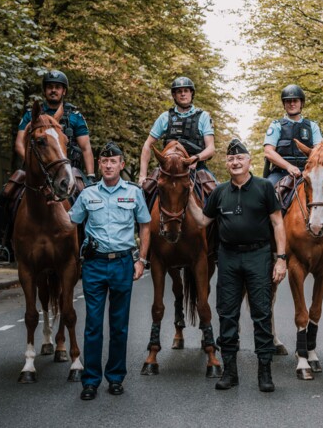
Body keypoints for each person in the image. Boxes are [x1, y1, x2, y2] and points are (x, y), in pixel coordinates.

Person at [186, 139, 287, 393]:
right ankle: (230, 372)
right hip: (228, 258)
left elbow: (278, 224)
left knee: (261, 314)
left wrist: (281, 258)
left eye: (239, 158)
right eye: (230, 159)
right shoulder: (219, 192)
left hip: (259, 256)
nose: (235, 162)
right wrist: (186, 193)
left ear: (249, 160)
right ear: (227, 163)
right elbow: (201, 221)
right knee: (227, 315)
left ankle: (265, 372)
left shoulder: (264, 188)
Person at [68, 141, 151, 401]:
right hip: (94, 265)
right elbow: (72, 223)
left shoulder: (134, 193)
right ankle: (90, 381)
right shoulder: (88, 194)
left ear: (121, 165)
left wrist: (142, 261)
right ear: (100, 164)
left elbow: (145, 226)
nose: (107, 165)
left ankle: (115, 378)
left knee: (119, 325)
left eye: (113, 161)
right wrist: (76, 257)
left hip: (122, 264)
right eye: (104, 161)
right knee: (93, 325)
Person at [0, 69, 96, 264]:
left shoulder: (74, 116)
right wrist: (35, 163)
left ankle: (86, 243)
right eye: (50, 87)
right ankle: (5, 245)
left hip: (67, 168)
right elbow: (19, 144)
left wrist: (90, 176)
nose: (53, 90)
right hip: (35, 169)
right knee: (5, 194)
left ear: (63, 91)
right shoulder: (31, 115)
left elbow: (86, 147)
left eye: (57, 87)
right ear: (45, 91)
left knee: (88, 196)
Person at [262, 84, 323, 225]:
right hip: (282, 172)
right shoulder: (276, 125)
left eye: (295, 100)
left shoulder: (312, 126)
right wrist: (289, 167)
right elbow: (269, 152)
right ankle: (266, 241)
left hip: (309, 172)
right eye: (288, 101)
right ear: (284, 104)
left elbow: (321, 147)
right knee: (265, 196)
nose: (292, 104)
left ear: (301, 103)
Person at [138, 76, 216, 205]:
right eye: (179, 91)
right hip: (168, 169)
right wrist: (142, 175)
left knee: (216, 194)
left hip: (196, 167)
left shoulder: (203, 117)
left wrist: (196, 158)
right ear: (174, 95)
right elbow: (147, 144)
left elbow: (211, 148)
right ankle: (139, 224)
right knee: (143, 193)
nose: (183, 94)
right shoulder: (164, 117)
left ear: (192, 93)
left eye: (186, 90)